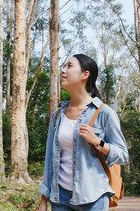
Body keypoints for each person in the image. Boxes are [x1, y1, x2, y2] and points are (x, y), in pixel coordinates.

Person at [38, 54, 129, 211]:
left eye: (69, 66)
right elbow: (50, 161)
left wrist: (97, 141)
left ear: (85, 75)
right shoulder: (57, 115)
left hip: (94, 197)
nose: (63, 70)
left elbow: (123, 155)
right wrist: (43, 200)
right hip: (60, 199)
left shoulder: (105, 114)